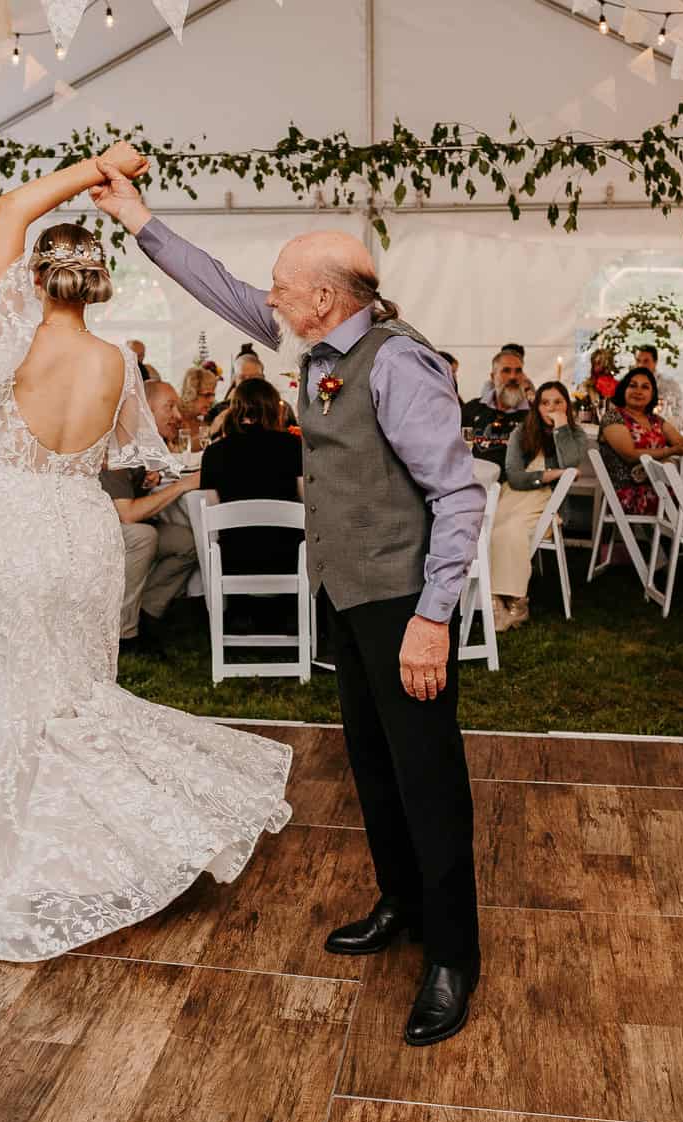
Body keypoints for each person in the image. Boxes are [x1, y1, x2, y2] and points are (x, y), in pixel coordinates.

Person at [96, 145, 484, 1047]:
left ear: (326, 298)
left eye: (282, 284)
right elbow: (226, 290)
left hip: (401, 601)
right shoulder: (316, 345)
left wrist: (432, 618)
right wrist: (139, 222)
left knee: (428, 777)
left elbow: (458, 494)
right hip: (348, 595)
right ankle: (401, 903)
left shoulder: (396, 364)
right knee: (374, 764)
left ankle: (454, 954)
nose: (267, 295)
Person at [0, 144, 292, 968]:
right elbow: (131, 450)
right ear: (94, 279)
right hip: (84, 527)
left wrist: (97, 167)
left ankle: (27, 855)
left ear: (33, 278)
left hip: (16, 523)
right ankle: (100, 846)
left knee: (15, 686)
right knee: (80, 689)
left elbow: (11, 206)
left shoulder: (9, 337)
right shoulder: (120, 362)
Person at [103, 379, 203, 653]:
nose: (178, 416)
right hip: (99, 528)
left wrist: (146, 478)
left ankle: (148, 610)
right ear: (146, 409)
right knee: (145, 535)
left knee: (189, 542)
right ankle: (124, 634)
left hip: (123, 521)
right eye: (169, 407)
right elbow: (128, 514)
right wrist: (184, 485)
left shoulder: (142, 442)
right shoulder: (117, 442)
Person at [197, 376, 304, 627]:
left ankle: (239, 613)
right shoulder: (292, 446)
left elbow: (213, 517)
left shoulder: (214, 453)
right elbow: (306, 501)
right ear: (272, 408)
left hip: (235, 560)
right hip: (288, 558)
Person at [490, 380, 592, 631]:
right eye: (545, 403)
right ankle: (494, 598)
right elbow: (514, 476)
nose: (551, 408)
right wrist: (553, 473)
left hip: (547, 501)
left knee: (511, 529)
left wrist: (561, 429)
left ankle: (514, 601)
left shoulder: (576, 435)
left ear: (567, 405)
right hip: (514, 493)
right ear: (536, 407)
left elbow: (571, 460)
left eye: (558, 402)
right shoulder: (520, 433)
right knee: (491, 528)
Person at [598, 367, 683, 515]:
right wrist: (671, 451)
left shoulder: (656, 420)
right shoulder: (613, 417)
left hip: (656, 487)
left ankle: (682, 537)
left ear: (652, 394)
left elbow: (682, 443)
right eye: (632, 385)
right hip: (625, 492)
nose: (638, 391)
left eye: (645, 387)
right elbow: (630, 455)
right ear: (624, 389)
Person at [176, 365, 218, 446]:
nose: (212, 400)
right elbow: (180, 449)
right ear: (191, 393)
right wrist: (212, 430)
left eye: (213, 395)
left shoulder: (202, 424)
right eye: (207, 395)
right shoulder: (174, 420)